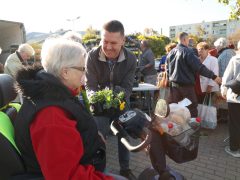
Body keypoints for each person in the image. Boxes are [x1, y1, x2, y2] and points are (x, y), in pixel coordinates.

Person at [14, 38, 126, 180]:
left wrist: (95, 137)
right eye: (82, 69)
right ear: (65, 72)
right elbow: (66, 176)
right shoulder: (51, 115)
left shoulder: (56, 95)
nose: (85, 75)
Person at [85, 20, 137, 180]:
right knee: (98, 137)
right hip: (99, 104)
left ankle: (125, 168)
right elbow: (90, 85)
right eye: (104, 41)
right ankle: (100, 171)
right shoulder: (92, 56)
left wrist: (114, 98)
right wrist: (98, 98)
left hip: (121, 102)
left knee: (123, 135)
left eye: (113, 43)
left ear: (123, 40)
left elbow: (127, 87)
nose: (107, 47)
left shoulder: (131, 58)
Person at [166, 32, 221, 117]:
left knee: (175, 107)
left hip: (174, 86)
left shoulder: (171, 52)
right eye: (188, 40)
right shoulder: (187, 51)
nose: (188, 42)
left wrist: (169, 83)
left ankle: (178, 127)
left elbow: (167, 70)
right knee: (191, 107)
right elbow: (199, 67)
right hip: (186, 86)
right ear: (185, 40)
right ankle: (192, 127)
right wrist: (213, 76)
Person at [221, 40, 240, 158]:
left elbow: (227, 77)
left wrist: (223, 90)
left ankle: (234, 148)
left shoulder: (235, 59)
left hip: (235, 98)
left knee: (234, 123)